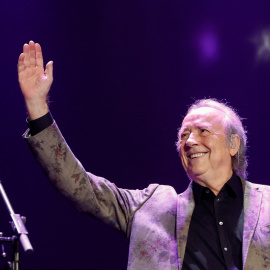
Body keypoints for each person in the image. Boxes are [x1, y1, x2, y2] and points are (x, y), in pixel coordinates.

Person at [18, 41, 270, 270]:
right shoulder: (150, 206)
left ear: (233, 144)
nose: (190, 141)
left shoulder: (266, 203)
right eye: (183, 135)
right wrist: (38, 107)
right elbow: (81, 189)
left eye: (203, 131)